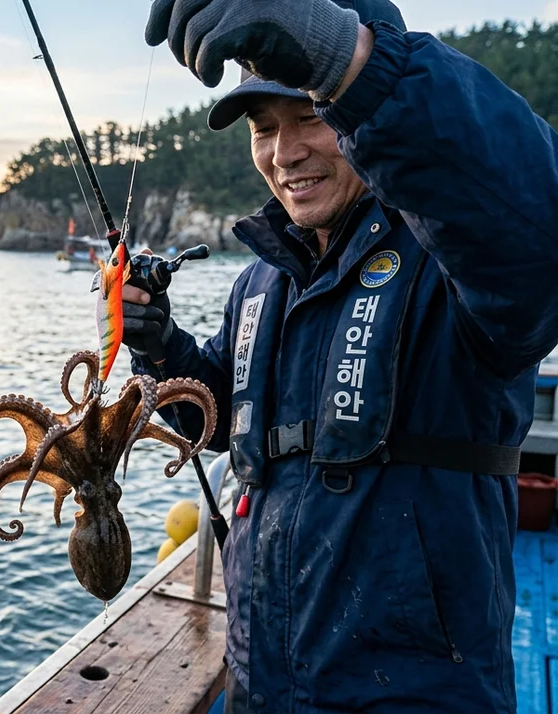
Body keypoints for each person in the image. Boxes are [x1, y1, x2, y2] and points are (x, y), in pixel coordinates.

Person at [120, 0, 558, 711]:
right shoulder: (258, 281)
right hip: (262, 680)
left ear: (355, 109)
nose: (283, 153)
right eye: (264, 129)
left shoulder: (456, 263)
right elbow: (220, 419)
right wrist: (158, 343)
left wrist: (356, 62)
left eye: (310, 117)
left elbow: (537, 234)